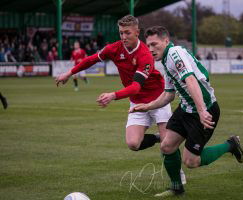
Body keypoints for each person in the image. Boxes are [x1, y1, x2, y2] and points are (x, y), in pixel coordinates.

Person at [55, 15, 186, 184]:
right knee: (133, 143)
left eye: (127, 33)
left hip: (158, 99)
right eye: (121, 33)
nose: (123, 37)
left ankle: (178, 175)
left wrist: (113, 95)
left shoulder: (145, 54)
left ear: (137, 32)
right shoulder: (114, 48)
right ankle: (156, 137)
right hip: (136, 102)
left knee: (167, 146)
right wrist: (69, 73)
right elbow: (91, 60)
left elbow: (136, 86)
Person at [130, 26, 243, 197]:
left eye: (155, 44)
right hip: (186, 108)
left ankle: (231, 145)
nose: (151, 49)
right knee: (167, 146)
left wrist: (201, 111)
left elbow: (190, 79)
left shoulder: (175, 53)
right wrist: (148, 106)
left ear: (166, 41)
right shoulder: (165, 60)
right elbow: (169, 95)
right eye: (148, 46)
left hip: (204, 109)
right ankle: (177, 188)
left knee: (191, 161)